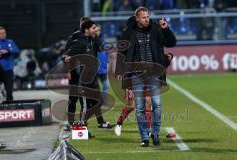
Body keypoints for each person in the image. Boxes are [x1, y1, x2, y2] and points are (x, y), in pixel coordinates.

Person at [118, 7, 176, 147]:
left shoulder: (156, 29)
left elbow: (171, 43)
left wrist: (166, 29)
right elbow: (122, 53)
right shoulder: (128, 33)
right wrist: (120, 72)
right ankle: (144, 137)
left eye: (148, 16)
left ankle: (155, 134)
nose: (147, 19)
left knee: (157, 105)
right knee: (139, 108)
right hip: (137, 74)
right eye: (144, 17)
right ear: (137, 18)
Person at [62, 20, 112, 132]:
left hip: (92, 78)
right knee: (80, 102)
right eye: (93, 28)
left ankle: (83, 124)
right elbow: (66, 56)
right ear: (86, 29)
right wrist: (68, 67)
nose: (95, 30)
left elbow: (101, 47)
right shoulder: (80, 42)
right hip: (82, 79)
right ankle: (79, 127)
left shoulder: (90, 40)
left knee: (97, 101)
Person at [0, 26, 19, 102]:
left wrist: (7, 51)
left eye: (4, 33)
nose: (3, 34)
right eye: (1, 33)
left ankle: (10, 105)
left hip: (9, 70)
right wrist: (0, 52)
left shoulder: (10, 42)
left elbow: (16, 50)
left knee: (9, 90)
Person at [95, 25, 110, 106]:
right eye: (97, 30)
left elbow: (106, 54)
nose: (98, 32)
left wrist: (106, 61)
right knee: (95, 88)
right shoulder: (91, 42)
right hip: (94, 69)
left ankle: (103, 100)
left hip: (103, 69)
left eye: (99, 30)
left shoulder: (102, 42)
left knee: (106, 86)